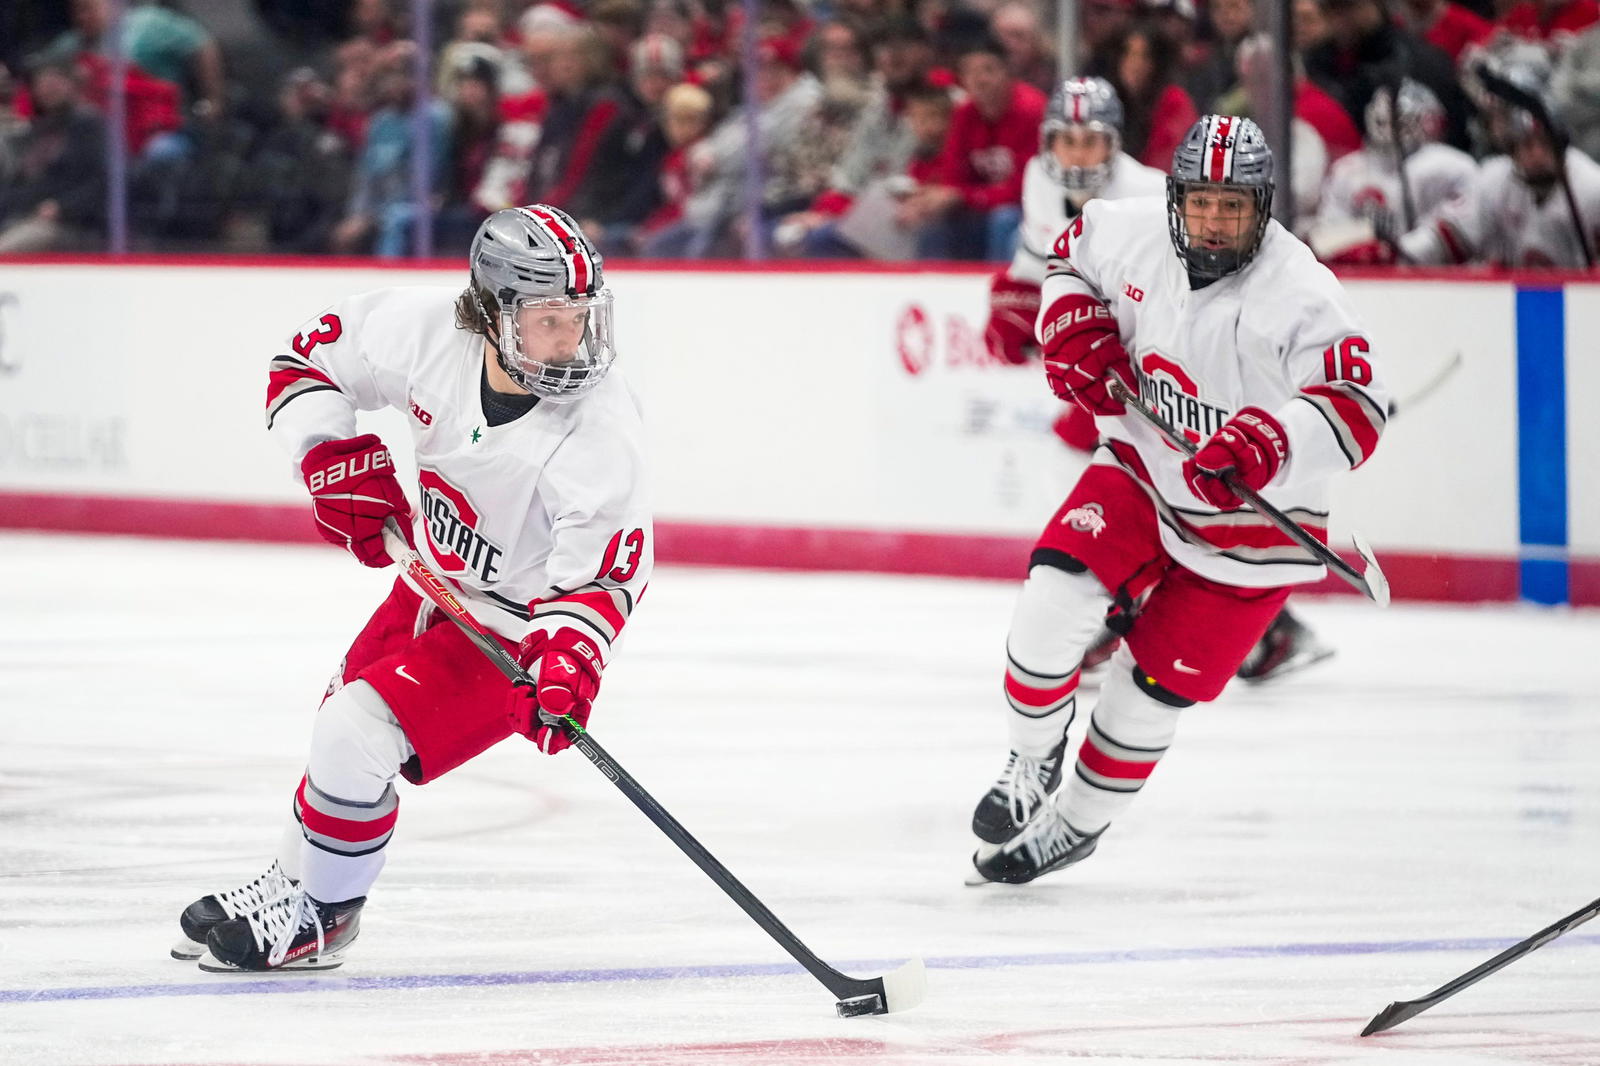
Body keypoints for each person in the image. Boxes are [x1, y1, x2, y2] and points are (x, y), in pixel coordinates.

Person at [171, 205, 651, 970]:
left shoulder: (598, 429)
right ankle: (296, 881)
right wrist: (330, 455)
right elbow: (306, 362)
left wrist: (565, 663)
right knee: (339, 723)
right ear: (493, 313)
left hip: (517, 628)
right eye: (549, 321)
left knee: (355, 733)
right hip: (431, 581)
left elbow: (601, 576)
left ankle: (323, 914)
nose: (573, 343)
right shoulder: (426, 332)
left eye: (581, 320)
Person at [968, 116, 1390, 885]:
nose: (1216, 221)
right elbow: (1067, 262)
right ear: (1174, 199)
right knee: (1050, 601)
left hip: (1257, 539)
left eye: (1235, 206)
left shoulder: (1300, 291)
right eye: (1202, 202)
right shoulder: (1125, 233)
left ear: (1263, 208)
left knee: (1146, 695)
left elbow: (1359, 405)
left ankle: (1075, 825)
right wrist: (1071, 322)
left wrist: (1271, 443)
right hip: (1142, 468)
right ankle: (1030, 761)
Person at [1399, 66, 1600, 267]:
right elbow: (1448, 236)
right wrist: (1400, 252)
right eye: (1527, 145)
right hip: (1512, 295)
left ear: (1560, 143)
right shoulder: (1494, 178)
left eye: (1545, 143)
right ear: (1512, 148)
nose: (1537, 154)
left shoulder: (1591, 187)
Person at [1310, 79, 1477, 265]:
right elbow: (1327, 234)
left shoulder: (1449, 166)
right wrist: (1349, 248)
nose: (1388, 130)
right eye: (1383, 121)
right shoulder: (1348, 170)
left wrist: (1400, 251)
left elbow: (1461, 231)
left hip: (1438, 279)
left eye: (1398, 122)